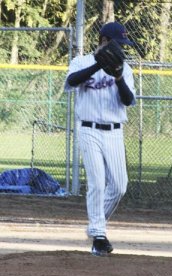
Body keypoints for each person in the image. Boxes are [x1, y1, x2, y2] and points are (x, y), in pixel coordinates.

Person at [65, 22, 136, 256]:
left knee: (119, 186)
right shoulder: (81, 62)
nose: (121, 48)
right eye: (118, 43)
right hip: (89, 129)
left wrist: (117, 77)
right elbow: (72, 81)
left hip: (115, 131)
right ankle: (98, 236)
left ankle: (97, 227)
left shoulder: (124, 67)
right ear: (104, 40)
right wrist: (98, 64)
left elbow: (127, 100)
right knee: (97, 183)